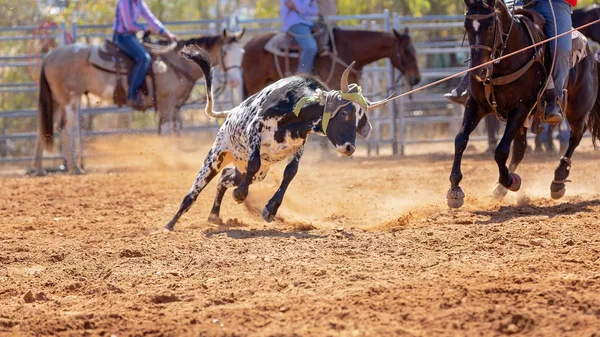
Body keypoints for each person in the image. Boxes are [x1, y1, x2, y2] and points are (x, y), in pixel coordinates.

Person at [445, 0, 575, 126]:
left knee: (561, 48)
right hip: (517, 0)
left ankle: (554, 101)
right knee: (484, 26)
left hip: (554, 3)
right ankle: (469, 87)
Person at [112, 0, 177, 106]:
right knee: (144, 58)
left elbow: (151, 18)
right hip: (122, 37)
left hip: (132, 36)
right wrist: (146, 28)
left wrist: (167, 33)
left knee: (153, 53)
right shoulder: (125, 2)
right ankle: (132, 95)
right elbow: (129, 25)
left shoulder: (139, 3)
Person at [280, 0, 319, 74]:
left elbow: (315, 11)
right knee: (310, 47)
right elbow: (302, 9)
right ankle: (302, 74)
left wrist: (298, 9)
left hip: (308, 23)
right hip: (295, 23)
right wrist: (306, 8)